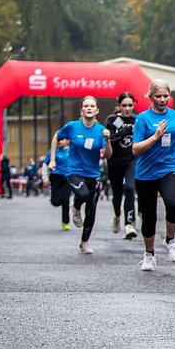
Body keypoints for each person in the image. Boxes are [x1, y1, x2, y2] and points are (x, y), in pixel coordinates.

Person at [133, 80, 175, 271]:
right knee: (149, 216)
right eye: (158, 96)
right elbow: (135, 149)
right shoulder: (143, 119)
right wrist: (155, 137)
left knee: (172, 202)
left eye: (165, 96)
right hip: (146, 173)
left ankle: (170, 241)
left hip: (169, 168)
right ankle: (149, 254)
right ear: (151, 97)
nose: (162, 100)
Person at [49, 96, 112, 254]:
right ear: (81, 110)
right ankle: (76, 206)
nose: (89, 108)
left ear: (97, 110)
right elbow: (56, 137)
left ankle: (84, 242)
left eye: (92, 106)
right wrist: (52, 160)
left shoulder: (101, 130)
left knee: (91, 209)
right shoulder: (72, 127)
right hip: (73, 171)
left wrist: (108, 140)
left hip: (93, 173)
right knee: (82, 194)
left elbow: (107, 156)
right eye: (86, 105)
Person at [105, 92, 138, 239]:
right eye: (124, 105)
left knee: (130, 188)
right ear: (119, 106)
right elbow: (110, 139)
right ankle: (117, 214)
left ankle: (129, 223)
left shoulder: (138, 119)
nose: (127, 109)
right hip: (114, 161)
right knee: (117, 194)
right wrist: (123, 131)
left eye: (130, 105)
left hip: (131, 159)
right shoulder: (112, 120)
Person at [42, 137, 73, 230]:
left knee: (66, 200)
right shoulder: (53, 151)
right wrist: (45, 179)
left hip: (67, 178)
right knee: (55, 202)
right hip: (55, 177)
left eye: (62, 140)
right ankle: (56, 199)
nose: (59, 141)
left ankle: (65, 222)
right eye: (58, 140)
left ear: (67, 141)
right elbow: (45, 164)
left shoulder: (72, 151)